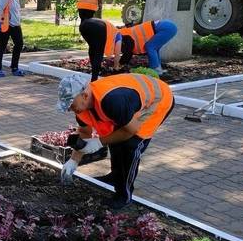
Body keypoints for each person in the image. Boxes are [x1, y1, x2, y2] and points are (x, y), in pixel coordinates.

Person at [56, 72, 174, 209]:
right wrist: (73, 161)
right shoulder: (82, 107)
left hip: (157, 100)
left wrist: (100, 142)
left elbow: (131, 130)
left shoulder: (112, 101)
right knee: (113, 138)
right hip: (128, 104)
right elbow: (84, 132)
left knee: (131, 145)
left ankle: (124, 196)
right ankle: (115, 177)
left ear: (85, 95)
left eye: (71, 104)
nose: (70, 109)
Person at [0, 0, 35, 77]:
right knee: (2, 46)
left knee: (19, 44)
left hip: (15, 24)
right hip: (6, 24)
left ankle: (14, 67)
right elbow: (0, 9)